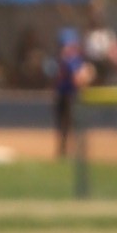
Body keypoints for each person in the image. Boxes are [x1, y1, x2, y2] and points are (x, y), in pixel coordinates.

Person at [50, 20, 85, 163]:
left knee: (71, 124)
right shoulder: (64, 59)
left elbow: (78, 78)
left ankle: (72, 149)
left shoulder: (73, 59)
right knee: (63, 124)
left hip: (71, 95)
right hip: (63, 94)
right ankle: (63, 149)